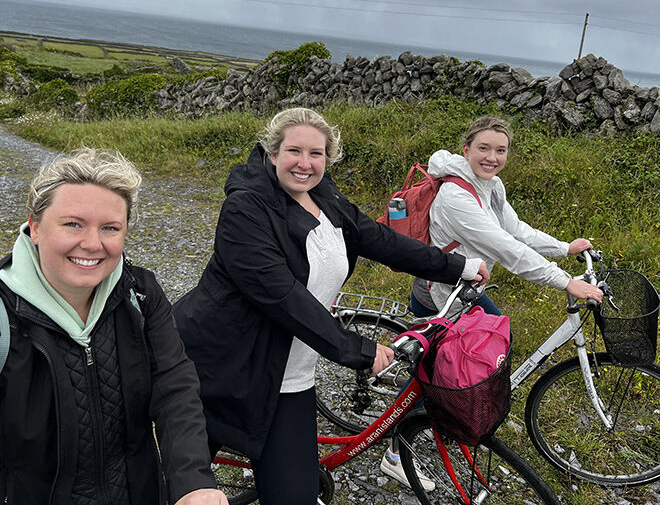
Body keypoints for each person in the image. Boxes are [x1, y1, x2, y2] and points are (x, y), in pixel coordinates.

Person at [173, 107, 489, 505]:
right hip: (216, 368)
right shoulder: (245, 210)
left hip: (288, 375)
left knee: (296, 495)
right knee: (183, 488)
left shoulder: (324, 196)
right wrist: (358, 350)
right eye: (294, 151)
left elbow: (378, 238)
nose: (305, 164)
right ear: (272, 154)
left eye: (317, 154)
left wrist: (455, 265)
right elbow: (282, 296)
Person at [379, 114, 604, 487]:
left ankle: (460, 409)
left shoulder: (490, 185)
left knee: (494, 344)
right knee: (438, 376)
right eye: (483, 149)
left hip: (466, 292)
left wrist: (564, 248)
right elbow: (507, 249)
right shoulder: (455, 197)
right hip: (441, 295)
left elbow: (514, 229)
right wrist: (564, 281)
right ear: (466, 149)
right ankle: (395, 451)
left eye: (500, 151)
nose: (492, 157)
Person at [0, 148, 228, 505]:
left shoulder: (140, 293)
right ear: (36, 227)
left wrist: (192, 480)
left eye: (110, 228)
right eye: (73, 224)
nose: (92, 244)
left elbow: (174, 386)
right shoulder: (3, 312)